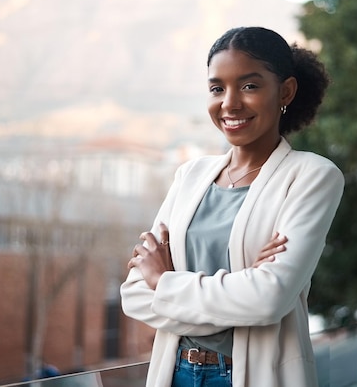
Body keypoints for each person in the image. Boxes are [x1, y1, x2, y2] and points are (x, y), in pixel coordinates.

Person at [120, 26, 344, 387]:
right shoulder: (190, 176)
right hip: (174, 372)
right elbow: (133, 294)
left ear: (285, 91)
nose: (229, 102)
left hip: (251, 375)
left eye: (249, 86)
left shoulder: (312, 176)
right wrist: (243, 288)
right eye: (217, 88)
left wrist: (164, 281)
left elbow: (269, 300)